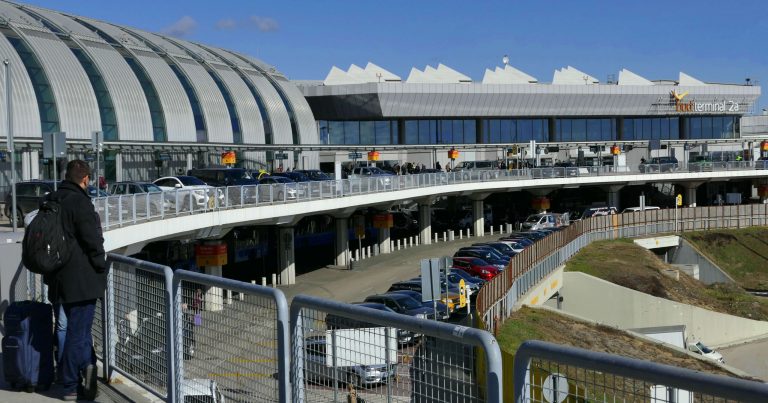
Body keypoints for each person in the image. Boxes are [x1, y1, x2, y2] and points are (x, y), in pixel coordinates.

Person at [49, 159, 107, 401]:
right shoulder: (79, 203)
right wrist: (101, 265)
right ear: (85, 179)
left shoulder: (53, 199)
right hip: (80, 280)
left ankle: (86, 371)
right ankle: (71, 384)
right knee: (78, 332)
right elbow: (92, 240)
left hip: (57, 276)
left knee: (74, 330)